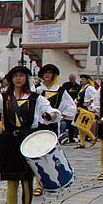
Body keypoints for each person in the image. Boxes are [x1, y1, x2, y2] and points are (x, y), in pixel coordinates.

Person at [0, 66, 60, 204]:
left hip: (29, 141)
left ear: (26, 78)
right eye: (15, 76)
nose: (18, 79)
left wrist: (49, 116)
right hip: (9, 142)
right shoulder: (4, 97)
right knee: (11, 181)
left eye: (21, 75)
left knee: (27, 181)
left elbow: (52, 111)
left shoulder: (36, 98)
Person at [33, 64, 77, 196]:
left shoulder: (60, 90)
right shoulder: (36, 90)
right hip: (37, 126)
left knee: (51, 154)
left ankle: (57, 178)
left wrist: (59, 116)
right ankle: (38, 184)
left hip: (52, 125)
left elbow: (71, 107)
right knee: (36, 154)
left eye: (50, 73)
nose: (47, 75)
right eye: (45, 73)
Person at [74, 75, 100, 148]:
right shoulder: (82, 88)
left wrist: (89, 102)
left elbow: (96, 96)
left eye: (83, 79)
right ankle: (82, 142)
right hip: (81, 109)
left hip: (87, 110)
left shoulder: (90, 88)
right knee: (81, 126)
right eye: (81, 79)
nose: (81, 80)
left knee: (81, 125)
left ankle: (93, 137)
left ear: (87, 80)